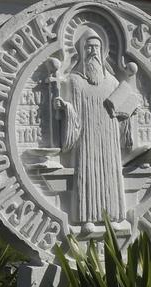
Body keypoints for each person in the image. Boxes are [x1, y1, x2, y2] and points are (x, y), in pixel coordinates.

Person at [55, 34, 131, 234]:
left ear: (103, 51)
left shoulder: (113, 82)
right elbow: (71, 108)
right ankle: (87, 218)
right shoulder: (74, 80)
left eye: (96, 47)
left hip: (109, 136)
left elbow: (123, 109)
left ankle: (114, 216)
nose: (93, 51)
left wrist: (130, 109)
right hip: (86, 138)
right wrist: (65, 109)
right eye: (88, 47)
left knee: (111, 175)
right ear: (81, 50)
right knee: (87, 176)